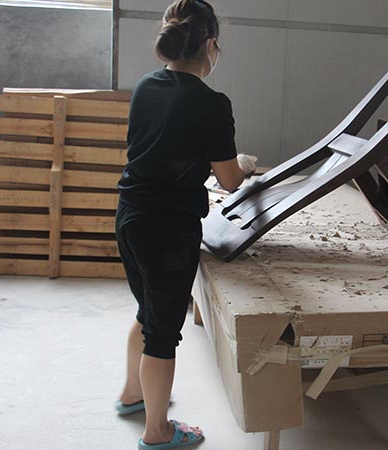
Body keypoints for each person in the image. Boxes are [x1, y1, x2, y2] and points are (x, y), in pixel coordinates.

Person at [114, 1, 257, 448]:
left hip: (130, 216)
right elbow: (229, 179)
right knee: (162, 333)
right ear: (211, 44)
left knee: (148, 311)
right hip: (168, 231)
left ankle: (132, 395)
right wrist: (244, 163)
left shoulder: (145, 86)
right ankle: (157, 433)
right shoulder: (211, 103)